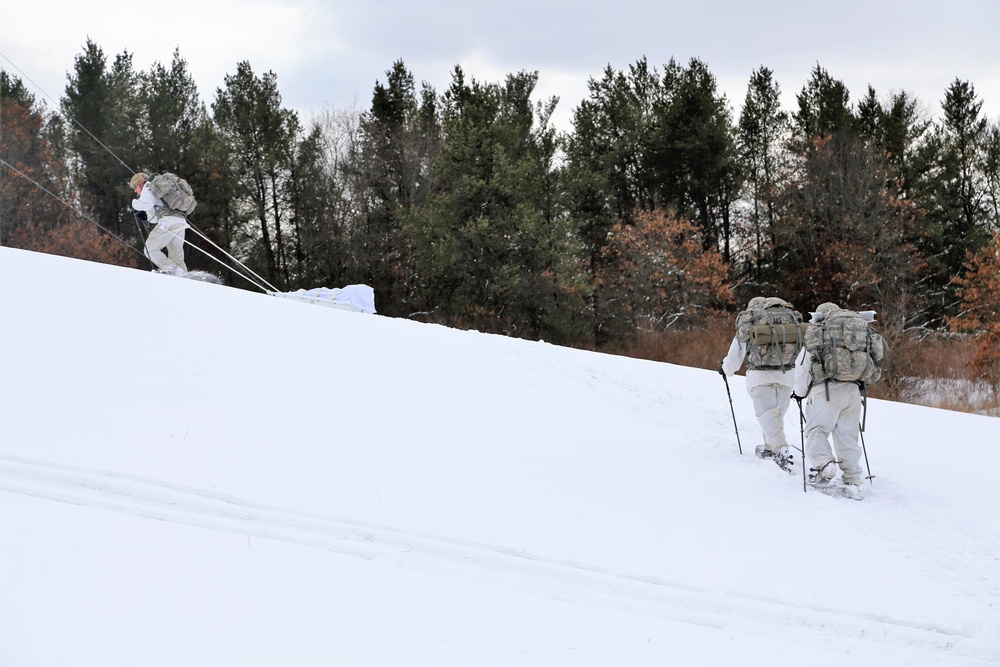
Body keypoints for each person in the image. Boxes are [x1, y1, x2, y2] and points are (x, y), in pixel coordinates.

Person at [792, 302, 867, 500]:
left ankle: (825, 465)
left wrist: (799, 392)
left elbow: (802, 367)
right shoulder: (855, 333)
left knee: (816, 430)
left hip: (825, 391)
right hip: (852, 391)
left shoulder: (819, 333)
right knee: (847, 437)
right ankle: (852, 481)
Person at [719, 296, 798, 471]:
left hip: (761, 376)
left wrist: (726, 370)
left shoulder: (751, 320)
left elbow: (736, 352)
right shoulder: (788, 319)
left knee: (766, 415)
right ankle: (769, 448)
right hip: (787, 375)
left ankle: (780, 449)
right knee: (776, 415)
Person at [130, 172, 190, 275]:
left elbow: (146, 204)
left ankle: (175, 271)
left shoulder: (148, 186)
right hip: (180, 222)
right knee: (176, 256)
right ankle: (184, 277)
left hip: (168, 222)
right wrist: (145, 216)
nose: (135, 190)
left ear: (141, 183)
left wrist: (133, 204)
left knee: (150, 250)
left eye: (135, 187)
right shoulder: (156, 189)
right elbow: (153, 216)